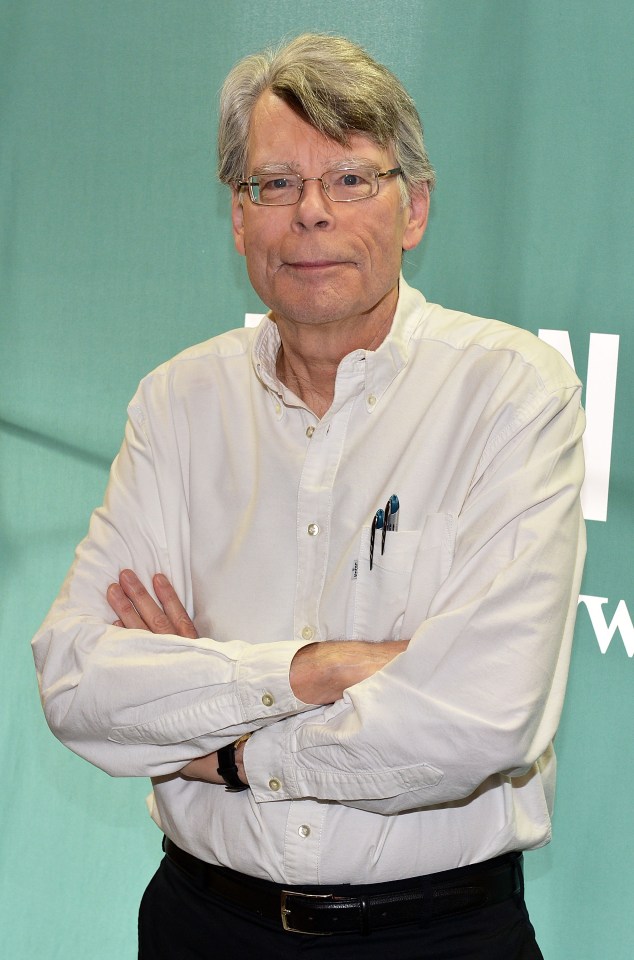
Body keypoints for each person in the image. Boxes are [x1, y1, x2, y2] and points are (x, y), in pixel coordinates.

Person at [32, 33, 586, 959]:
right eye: (274, 184)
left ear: (414, 209)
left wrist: (227, 750)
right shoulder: (177, 401)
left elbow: (476, 721)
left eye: (352, 180)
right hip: (201, 924)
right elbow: (79, 681)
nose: (312, 214)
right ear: (238, 218)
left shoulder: (512, 392)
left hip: (437, 935)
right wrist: (315, 670)